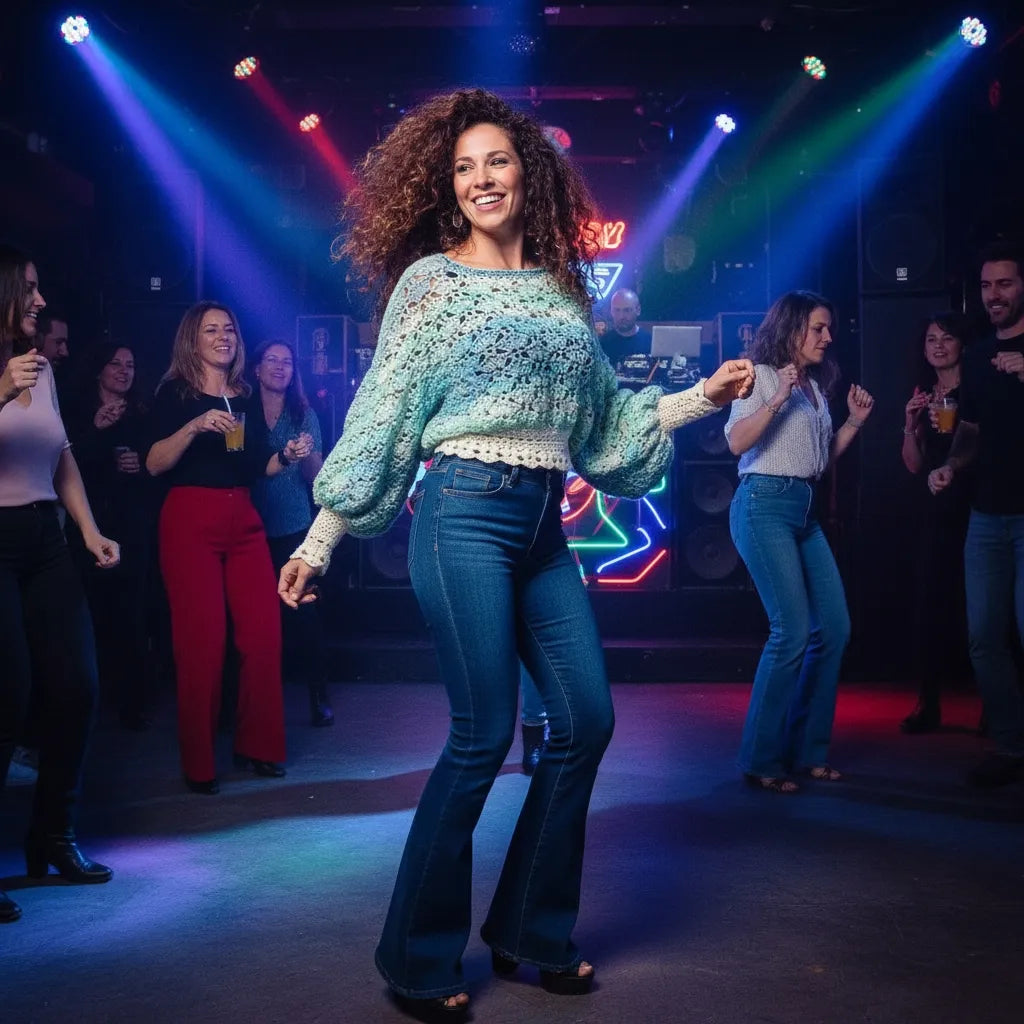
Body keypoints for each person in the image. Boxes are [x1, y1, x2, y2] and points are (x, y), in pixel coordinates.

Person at [277, 88, 754, 1020]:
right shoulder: (431, 285)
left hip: (542, 525)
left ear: (527, 173)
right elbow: (381, 415)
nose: (481, 179)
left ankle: (531, 930)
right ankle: (416, 957)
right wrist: (321, 538)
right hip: (461, 512)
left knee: (585, 720)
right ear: (449, 187)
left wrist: (704, 396)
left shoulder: (563, 290)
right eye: (464, 167)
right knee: (483, 733)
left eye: (496, 160)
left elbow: (606, 426)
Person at [145, 302, 314, 795]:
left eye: (229, 330)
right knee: (202, 643)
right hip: (189, 517)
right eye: (211, 330)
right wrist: (195, 425)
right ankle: (199, 763)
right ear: (192, 339)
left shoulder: (244, 395)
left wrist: (286, 456)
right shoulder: (174, 393)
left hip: (243, 516)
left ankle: (258, 746)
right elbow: (154, 462)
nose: (223, 337)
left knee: (263, 636)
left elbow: (257, 464)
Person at [0, 245, 120, 924]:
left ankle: (53, 834)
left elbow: (61, 453)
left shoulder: (38, 367)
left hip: (46, 539)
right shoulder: (11, 371)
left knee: (77, 686)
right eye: (31, 288)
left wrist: (90, 530)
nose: (42, 301)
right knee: (8, 696)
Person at [725, 291, 874, 793]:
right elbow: (737, 442)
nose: (828, 337)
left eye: (828, 328)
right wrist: (776, 399)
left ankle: (808, 753)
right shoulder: (760, 376)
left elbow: (818, 460)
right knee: (789, 631)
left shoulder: (815, 389)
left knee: (834, 628)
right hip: (763, 505)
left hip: (804, 511)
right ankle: (762, 760)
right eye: (818, 328)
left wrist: (853, 422)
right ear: (792, 329)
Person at [929, 242, 1024, 787]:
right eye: (987, 286)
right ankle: (1011, 746)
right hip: (987, 515)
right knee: (984, 637)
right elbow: (970, 431)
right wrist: (950, 466)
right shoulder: (980, 358)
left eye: (1005, 284)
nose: (994, 295)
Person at [64, 343, 156, 730]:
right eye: (115, 363)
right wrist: (97, 430)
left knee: (132, 615)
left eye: (130, 365)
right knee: (91, 613)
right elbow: (64, 465)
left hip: (131, 525)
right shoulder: (76, 410)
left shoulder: (142, 413)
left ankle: (132, 705)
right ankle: (90, 701)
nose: (123, 370)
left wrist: (141, 466)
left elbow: (157, 466)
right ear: (98, 369)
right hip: (89, 526)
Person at [248, 339, 333, 727]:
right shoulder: (242, 410)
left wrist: (308, 452)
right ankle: (253, 698)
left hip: (293, 525)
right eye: (272, 360)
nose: (280, 366)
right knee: (254, 615)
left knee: (305, 612)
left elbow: (316, 477)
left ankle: (319, 695)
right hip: (249, 524)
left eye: (287, 361)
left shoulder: (303, 413)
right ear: (256, 369)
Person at [899, 314, 973, 733]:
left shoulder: (976, 389)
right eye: (932, 339)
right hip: (933, 508)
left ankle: (994, 702)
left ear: (962, 344)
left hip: (975, 504)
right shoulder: (923, 394)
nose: (939, 346)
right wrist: (910, 426)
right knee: (929, 603)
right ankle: (928, 701)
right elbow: (913, 465)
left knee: (978, 606)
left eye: (947, 338)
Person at [601, 287, 651, 370]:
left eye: (627, 310)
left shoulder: (650, 342)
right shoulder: (602, 345)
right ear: (611, 311)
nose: (622, 316)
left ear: (638, 310)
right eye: (617, 310)